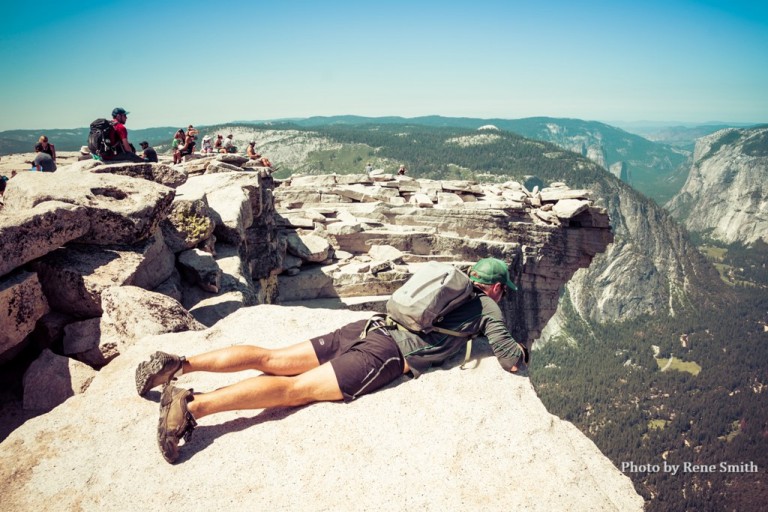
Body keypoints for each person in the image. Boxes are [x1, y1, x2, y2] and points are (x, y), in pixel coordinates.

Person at [135, 257, 527, 463]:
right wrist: (521, 352)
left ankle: (178, 364)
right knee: (294, 390)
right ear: (493, 287)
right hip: (388, 353)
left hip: (365, 325)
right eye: (502, 290)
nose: (502, 295)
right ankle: (192, 405)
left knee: (274, 358)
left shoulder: (449, 279)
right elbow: (508, 358)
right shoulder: (486, 305)